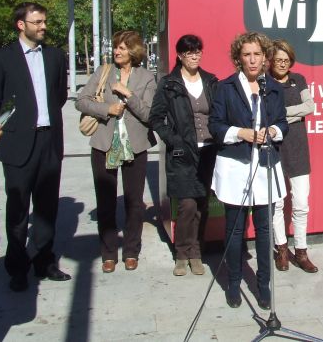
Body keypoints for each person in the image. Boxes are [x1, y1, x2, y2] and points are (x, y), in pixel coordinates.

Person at [0, 2, 70, 292]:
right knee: (17, 210)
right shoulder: (3, 58)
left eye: (44, 21)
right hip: (17, 143)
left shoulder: (54, 56)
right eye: (37, 22)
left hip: (49, 140)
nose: (43, 26)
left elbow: (60, 95)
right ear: (21, 25)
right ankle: (17, 267)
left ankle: (44, 262)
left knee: (47, 206)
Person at [209, 32, 288, 310]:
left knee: (265, 230)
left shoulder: (274, 89)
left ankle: (264, 284)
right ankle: (233, 282)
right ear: (238, 59)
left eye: (257, 54)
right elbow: (215, 126)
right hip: (235, 168)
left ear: (265, 57)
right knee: (234, 229)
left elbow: (283, 123)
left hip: (265, 167)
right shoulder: (225, 87)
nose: (253, 60)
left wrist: (274, 130)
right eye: (247, 55)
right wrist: (241, 132)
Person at [76, 31, 156, 273]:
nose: (117, 51)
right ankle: (108, 253)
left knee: (134, 201)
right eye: (116, 48)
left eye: (122, 48)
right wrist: (106, 108)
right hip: (104, 143)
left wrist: (128, 94)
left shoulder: (146, 77)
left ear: (134, 51)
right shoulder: (103, 72)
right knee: (106, 201)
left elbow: (149, 114)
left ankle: (131, 250)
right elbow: (81, 101)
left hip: (136, 145)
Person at [149, 35, 218, 276]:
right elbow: (156, 118)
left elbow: (218, 112)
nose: (194, 56)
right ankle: (182, 253)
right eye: (189, 52)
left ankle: (197, 252)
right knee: (187, 205)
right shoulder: (169, 83)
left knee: (201, 204)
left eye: (197, 51)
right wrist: (174, 139)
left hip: (208, 150)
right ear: (179, 55)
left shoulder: (210, 81)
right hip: (182, 153)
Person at [268, 39, 318, 273]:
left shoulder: (299, 80)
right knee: (277, 203)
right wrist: (291, 115)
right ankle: (282, 250)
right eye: (278, 59)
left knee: (301, 203)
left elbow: (310, 107)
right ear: (271, 60)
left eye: (286, 60)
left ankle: (301, 250)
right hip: (274, 148)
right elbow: (266, 115)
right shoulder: (264, 82)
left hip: (298, 147)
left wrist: (282, 114)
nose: (282, 63)